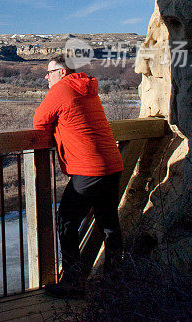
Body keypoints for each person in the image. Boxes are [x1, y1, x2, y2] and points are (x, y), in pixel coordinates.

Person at [33, 54, 124, 298]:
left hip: (89, 168)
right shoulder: (87, 89)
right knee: (108, 222)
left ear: (62, 73)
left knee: (66, 221)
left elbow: (39, 121)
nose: (46, 76)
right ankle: (116, 279)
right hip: (111, 163)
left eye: (49, 72)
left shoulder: (61, 89)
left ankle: (73, 282)